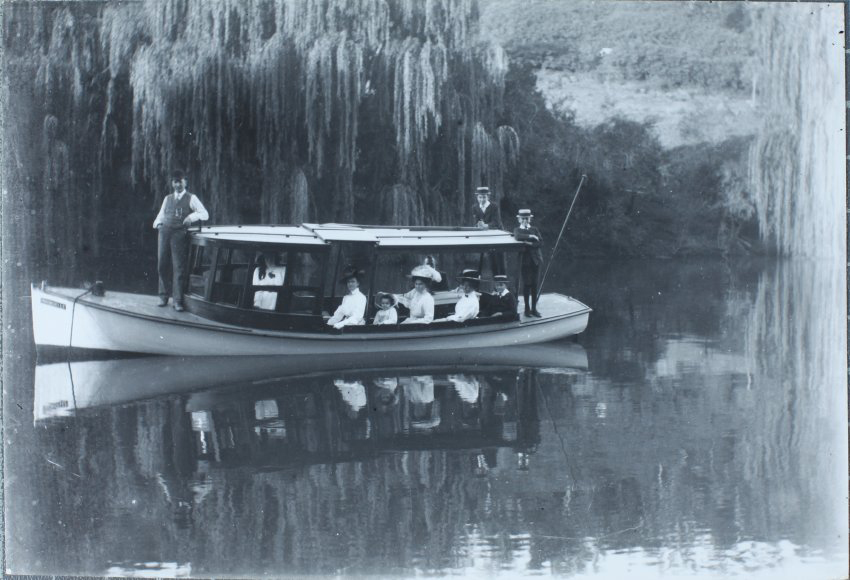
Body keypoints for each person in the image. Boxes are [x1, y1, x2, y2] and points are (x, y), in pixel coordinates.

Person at [153, 169, 209, 311]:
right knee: (161, 265)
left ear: (186, 182)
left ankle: (177, 301)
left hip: (179, 235)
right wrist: (158, 224)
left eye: (180, 181)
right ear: (172, 183)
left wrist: (191, 217)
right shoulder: (168, 198)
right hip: (164, 233)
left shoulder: (191, 198)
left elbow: (204, 213)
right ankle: (163, 296)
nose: (178, 184)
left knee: (178, 267)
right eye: (175, 181)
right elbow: (160, 215)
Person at [514, 209, 543, 317]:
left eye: (527, 218)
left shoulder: (534, 229)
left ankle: (534, 309)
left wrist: (528, 243)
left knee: (535, 285)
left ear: (530, 218)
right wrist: (531, 237)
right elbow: (517, 237)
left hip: (536, 261)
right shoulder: (517, 229)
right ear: (519, 219)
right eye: (523, 219)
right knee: (527, 285)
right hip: (524, 262)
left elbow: (540, 243)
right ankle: (527, 309)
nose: (525, 221)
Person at [472, 186, 505, 275]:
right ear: (477, 197)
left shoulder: (494, 206)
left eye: (484, 197)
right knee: (491, 261)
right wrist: (478, 225)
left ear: (487, 197)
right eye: (480, 197)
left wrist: (486, 225)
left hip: (497, 235)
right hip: (486, 236)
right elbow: (476, 221)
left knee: (499, 260)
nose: (482, 199)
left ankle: (502, 282)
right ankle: (495, 283)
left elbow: (497, 222)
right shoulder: (475, 207)